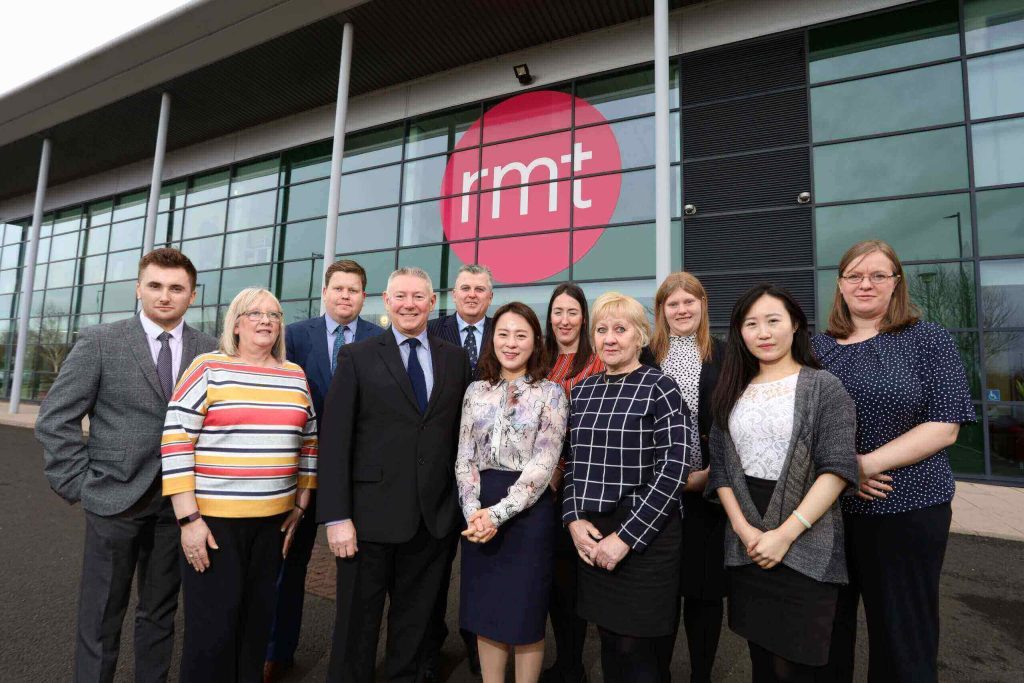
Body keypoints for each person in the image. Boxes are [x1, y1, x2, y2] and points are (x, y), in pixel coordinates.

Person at [36, 248, 217, 683]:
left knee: (160, 613)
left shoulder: (210, 349)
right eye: (154, 286)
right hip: (114, 498)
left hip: (178, 504)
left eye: (176, 288)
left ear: (192, 295)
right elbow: (55, 417)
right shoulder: (101, 340)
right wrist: (79, 484)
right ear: (139, 288)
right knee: (102, 615)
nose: (164, 296)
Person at [814, 240, 975, 683]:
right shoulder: (816, 348)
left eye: (878, 275)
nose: (866, 284)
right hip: (828, 515)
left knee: (903, 637)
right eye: (855, 276)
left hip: (908, 510)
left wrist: (861, 465)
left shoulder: (928, 340)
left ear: (896, 283)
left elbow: (945, 426)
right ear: (841, 286)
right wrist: (843, 472)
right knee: (826, 635)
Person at [318, 267, 472, 683]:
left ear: (432, 302)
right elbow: (334, 441)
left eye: (418, 297)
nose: (409, 304)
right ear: (386, 301)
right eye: (401, 296)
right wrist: (336, 516)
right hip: (366, 521)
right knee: (356, 628)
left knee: (414, 629)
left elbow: (461, 435)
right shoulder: (358, 356)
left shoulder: (455, 359)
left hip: (431, 520)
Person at [161, 287, 318, 683]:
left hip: (273, 525)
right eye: (255, 313)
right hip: (214, 525)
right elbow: (176, 439)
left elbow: (310, 441)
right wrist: (188, 520)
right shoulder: (207, 367)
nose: (266, 320)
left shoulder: (295, 375)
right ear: (235, 323)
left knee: (255, 628)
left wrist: (300, 505)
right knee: (212, 634)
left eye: (274, 314)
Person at [706, 284, 858, 682]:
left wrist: (785, 534)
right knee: (761, 658)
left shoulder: (824, 387)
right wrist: (744, 530)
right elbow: (721, 469)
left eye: (773, 321)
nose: (764, 332)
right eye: (752, 324)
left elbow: (837, 468)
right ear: (740, 333)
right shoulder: (732, 390)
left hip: (807, 533)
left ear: (795, 325)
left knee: (799, 664)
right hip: (747, 537)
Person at [562, 292, 693, 683]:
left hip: (646, 536)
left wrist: (627, 538)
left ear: (641, 336)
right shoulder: (582, 392)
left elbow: (674, 469)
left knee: (639, 653)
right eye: (602, 330)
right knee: (609, 646)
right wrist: (572, 519)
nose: (610, 338)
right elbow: (572, 463)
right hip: (595, 531)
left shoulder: (661, 387)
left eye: (621, 329)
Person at [264, 260, 383, 682]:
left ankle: (351, 662)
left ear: (363, 297)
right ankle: (277, 652)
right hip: (303, 472)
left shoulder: (380, 339)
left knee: (358, 575)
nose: (345, 296)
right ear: (325, 292)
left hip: (358, 476)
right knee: (287, 566)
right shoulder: (294, 337)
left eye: (353, 290)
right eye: (338, 288)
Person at [456, 302, 569, 683]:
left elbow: (543, 465)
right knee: (486, 612)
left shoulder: (551, 393)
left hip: (528, 511)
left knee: (525, 614)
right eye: (503, 334)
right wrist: (474, 511)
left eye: (521, 335)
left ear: (535, 343)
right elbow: (464, 458)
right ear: (493, 339)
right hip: (479, 509)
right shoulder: (475, 390)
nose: (511, 343)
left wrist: (497, 514)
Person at [644, 273, 726, 683]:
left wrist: (711, 476)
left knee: (704, 595)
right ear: (662, 311)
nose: (681, 310)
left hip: (706, 492)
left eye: (688, 302)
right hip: (654, 493)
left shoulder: (724, 355)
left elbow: (733, 422)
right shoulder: (645, 356)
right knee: (659, 593)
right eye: (672, 304)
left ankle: (701, 675)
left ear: (702, 305)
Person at [425, 262, 494, 677]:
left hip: (486, 473)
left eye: (479, 289)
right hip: (435, 469)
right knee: (432, 566)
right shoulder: (432, 332)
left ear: (490, 296)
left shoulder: (505, 331)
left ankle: (477, 645)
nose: (471, 294)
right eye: (465, 288)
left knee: (480, 566)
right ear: (453, 293)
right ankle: (430, 646)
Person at [540, 282, 603, 683]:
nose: (565, 320)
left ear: (584, 317)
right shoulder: (538, 360)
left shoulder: (597, 362)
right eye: (558, 312)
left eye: (572, 312)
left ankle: (573, 663)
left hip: (581, 487)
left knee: (574, 583)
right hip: (539, 491)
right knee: (548, 582)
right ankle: (562, 658)